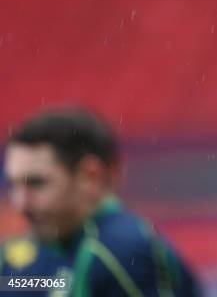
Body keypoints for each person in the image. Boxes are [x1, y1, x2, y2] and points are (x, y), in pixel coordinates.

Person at [0, 108, 202, 296]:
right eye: (13, 184)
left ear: (90, 177)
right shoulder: (19, 258)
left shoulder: (117, 254)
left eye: (37, 183)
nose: (20, 203)